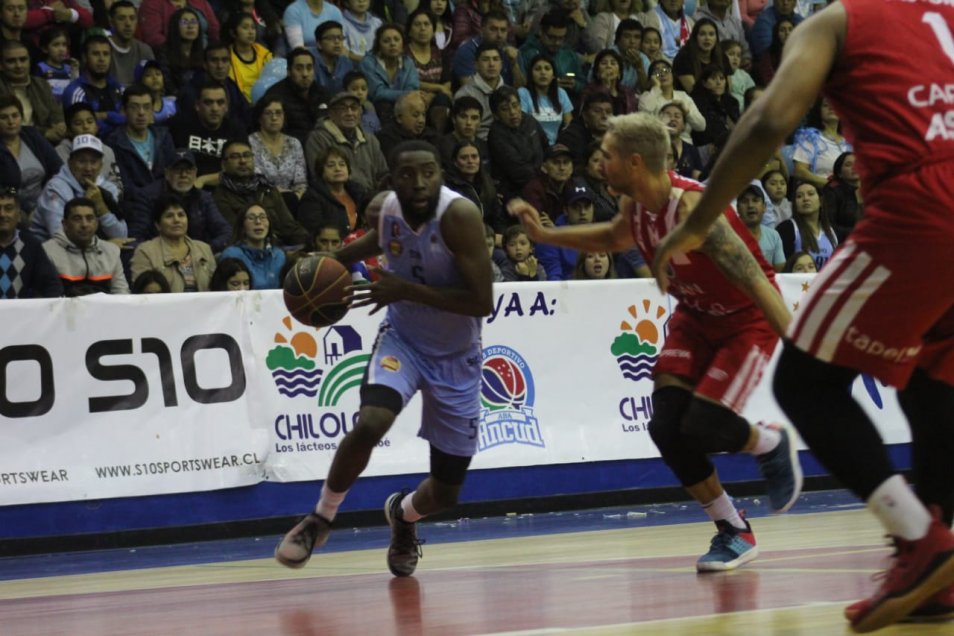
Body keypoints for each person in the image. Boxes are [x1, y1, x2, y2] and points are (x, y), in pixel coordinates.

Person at [650, 1, 954, 630]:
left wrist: (701, 220)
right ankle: (932, 568)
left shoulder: (837, 22)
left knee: (805, 383)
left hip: (923, 202)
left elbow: (767, 121)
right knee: (934, 377)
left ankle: (921, 542)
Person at [511, 112, 801, 573]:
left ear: (635, 162)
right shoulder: (635, 204)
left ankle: (768, 443)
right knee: (666, 427)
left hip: (743, 321)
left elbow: (757, 281)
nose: (598, 163)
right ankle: (733, 528)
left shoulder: (690, 210)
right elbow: (612, 236)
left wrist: (802, 354)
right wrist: (546, 234)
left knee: (702, 424)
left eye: (606, 156)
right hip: (695, 315)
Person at [274, 140, 494, 579]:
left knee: (446, 493)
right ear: (392, 179)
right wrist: (332, 262)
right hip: (403, 341)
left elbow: (482, 301)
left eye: (429, 172)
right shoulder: (386, 208)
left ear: (440, 174)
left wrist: (404, 290)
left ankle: (404, 516)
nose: (420, 182)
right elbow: (383, 237)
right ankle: (320, 518)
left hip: (457, 356)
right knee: (371, 422)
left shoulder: (459, 216)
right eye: (408, 174)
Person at [127, 148, 232, 251]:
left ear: (195, 173)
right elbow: (136, 237)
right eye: (178, 170)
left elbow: (225, 231)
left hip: (197, 255)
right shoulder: (147, 196)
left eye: (188, 170)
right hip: (159, 256)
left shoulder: (203, 197)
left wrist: (203, 249)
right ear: (167, 173)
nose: (184, 175)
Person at [213, 139, 311, 247]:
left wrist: (306, 244)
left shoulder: (267, 188)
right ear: (223, 165)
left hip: (281, 248)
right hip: (247, 250)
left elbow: (289, 226)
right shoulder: (220, 195)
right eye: (235, 156)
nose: (243, 161)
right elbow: (235, 232)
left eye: (247, 155)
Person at [34, 133, 126, 243]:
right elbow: (58, 236)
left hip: (90, 249)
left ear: (101, 165)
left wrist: (102, 208)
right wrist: (105, 246)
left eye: (93, 162)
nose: (88, 168)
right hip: (48, 250)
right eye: (82, 161)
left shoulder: (108, 189)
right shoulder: (55, 188)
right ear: (70, 163)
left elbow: (121, 234)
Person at [42, 196, 130, 295]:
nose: (84, 224)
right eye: (77, 219)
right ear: (65, 224)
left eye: (90, 218)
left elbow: (121, 293)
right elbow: (48, 297)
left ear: (97, 223)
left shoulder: (111, 251)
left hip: (104, 309)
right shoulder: (46, 251)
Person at [130, 194, 216, 292]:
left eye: (181, 215)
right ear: (158, 225)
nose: (176, 220)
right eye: (169, 216)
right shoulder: (145, 251)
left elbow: (216, 288)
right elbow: (143, 292)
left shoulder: (204, 249)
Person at [304, 91, 388, 191]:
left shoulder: (371, 140)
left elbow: (383, 175)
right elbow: (319, 177)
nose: (350, 113)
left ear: (360, 112)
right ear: (331, 114)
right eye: (343, 108)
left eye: (354, 108)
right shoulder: (318, 139)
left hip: (371, 199)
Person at [170, 80, 248, 186]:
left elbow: (240, 169)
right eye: (208, 102)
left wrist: (204, 179)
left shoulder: (236, 129)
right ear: (197, 105)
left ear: (226, 107)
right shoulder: (179, 126)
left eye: (220, 103)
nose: (215, 108)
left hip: (226, 189)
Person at [105, 84, 176, 198]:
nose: (141, 113)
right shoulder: (114, 143)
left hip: (166, 201)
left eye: (147, 107)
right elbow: (124, 185)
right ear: (124, 110)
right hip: (133, 205)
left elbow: (172, 174)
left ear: (153, 110)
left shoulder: (164, 137)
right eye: (134, 107)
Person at [0, 94, 62, 223]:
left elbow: (58, 168)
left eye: (15, 116)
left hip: (47, 201)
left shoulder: (32, 136)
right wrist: (19, 210)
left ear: (21, 117)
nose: (11, 122)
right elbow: (4, 189)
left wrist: (49, 200)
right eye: (4, 117)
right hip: (11, 209)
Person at [0, 185, 62, 298]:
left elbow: (52, 286)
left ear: (19, 216)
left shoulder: (31, 245)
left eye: (8, 208)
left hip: (19, 314)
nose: (2, 214)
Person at [248, 95, 308, 211]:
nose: (274, 117)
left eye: (278, 113)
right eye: (268, 113)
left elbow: (301, 182)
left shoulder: (294, 143)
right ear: (259, 118)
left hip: (293, 201)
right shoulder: (250, 142)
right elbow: (256, 180)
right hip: (263, 201)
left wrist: (296, 196)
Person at [487, 85, 547, 201]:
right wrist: (546, 179)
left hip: (542, 180)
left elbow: (546, 146)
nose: (513, 112)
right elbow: (519, 172)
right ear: (496, 115)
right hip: (515, 190)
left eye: (515, 105)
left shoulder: (529, 120)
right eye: (505, 109)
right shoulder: (496, 135)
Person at [0, 39, 66, 144]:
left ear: (29, 61)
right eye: (11, 61)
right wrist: (44, 132)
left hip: (43, 143)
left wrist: (60, 127)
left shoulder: (42, 84)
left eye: (23, 60)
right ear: (1, 65)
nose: (19, 66)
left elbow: (56, 116)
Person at [263, 48, 332, 145]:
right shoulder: (275, 96)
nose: (305, 74)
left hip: (322, 147)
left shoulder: (323, 93)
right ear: (289, 71)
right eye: (299, 68)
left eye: (309, 68)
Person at [298, 145, 369, 237]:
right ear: (321, 171)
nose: (338, 169)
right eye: (331, 165)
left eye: (342, 164)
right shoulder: (312, 198)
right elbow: (314, 233)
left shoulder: (359, 193)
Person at [61, 35, 125, 136]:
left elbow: (131, 119)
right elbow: (85, 129)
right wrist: (117, 119)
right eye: (96, 54)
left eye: (106, 54)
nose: (102, 59)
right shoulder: (75, 91)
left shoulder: (118, 87)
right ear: (84, 57)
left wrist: (105, 115)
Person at [359, 24, 420, 122]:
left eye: (396, 39)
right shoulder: (368, 63)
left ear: (403, 43)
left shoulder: (408, 62)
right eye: (386, 41)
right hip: (375, 107)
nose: (392, 44)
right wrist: (409, 94)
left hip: (405, 105)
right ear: (379, 45)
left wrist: (411, 95)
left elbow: (413, 87)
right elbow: (378, 93)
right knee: (384, 105)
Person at [219, 203, 286, 289]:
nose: (258, 222)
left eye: (262, 217)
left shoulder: (279, 256)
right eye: (251, 218)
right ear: (242, 226)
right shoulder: (232, 255)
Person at [405, 9, 452, 133]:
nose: (422, 28)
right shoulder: (403, 54)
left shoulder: (441, 54)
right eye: (417, 24)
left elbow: (446, 83)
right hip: (410, 95)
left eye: (427, 24)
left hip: (435, 98)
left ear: (433, 30)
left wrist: (433, 94)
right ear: (409, 31)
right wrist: (438, 88)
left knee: (443, 98)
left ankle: (438, 137)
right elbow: (407, 81)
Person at [792, 97, 852, 189]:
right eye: (825, 105)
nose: (831, 107)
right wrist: (830, 185)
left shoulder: (850, 142)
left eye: (834, 104)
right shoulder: (810, 137)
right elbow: (799, 171)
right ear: (819, 111)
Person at [776, 181, 837, 270]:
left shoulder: (832, 231)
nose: (805, 199)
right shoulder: (787, 228)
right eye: (799, 196)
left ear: (821, 201)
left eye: (810, 194)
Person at [376, 91, 440, 165]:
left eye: (423, 115)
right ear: (399, 118)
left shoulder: (431, 136)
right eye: (415, 115)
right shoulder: (386, 137)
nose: (421, 120)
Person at [157, 7, 206, 96]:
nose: (190, 26)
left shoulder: (203, 53)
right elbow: (167, 85)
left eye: (193, 22)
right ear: (175, 27)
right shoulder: (164, 53)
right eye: (184, 22)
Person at [107, 1, 155, 88]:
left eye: (132, 18)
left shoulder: (144, 50)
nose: (128, 24)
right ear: (111, 22)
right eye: (121, 18)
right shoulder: (102, 50)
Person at [557, 92, 614, 166]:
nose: (604, 116)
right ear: (585, 115)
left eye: (608, 112)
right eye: (597, 111)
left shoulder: (617, 136)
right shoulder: (571, 137)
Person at [672, 18, 727, 94]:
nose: (707, 38)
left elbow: (728, 89)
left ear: (716, 38)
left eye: (711, 34)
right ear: (695, 37)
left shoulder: (721, 56)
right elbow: (694, 92)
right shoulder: (683, 58)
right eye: (702, 34)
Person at [138, 0, 219, 51]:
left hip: (205, 55)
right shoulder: (151, 3)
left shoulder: (200, 1)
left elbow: (214, 29)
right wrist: (183, 52)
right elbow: (153, 38)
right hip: (171, 58)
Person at [737, 183, 783, 271]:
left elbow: (780, 270)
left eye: (755, 200)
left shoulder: (774, 235)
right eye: (745, 201)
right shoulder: (729, 235)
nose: (750, 205)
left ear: (764, 207)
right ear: (738, 208)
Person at [822, 150, 862, 243]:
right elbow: (829, 225)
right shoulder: (832, 191)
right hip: (843, 242)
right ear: (839, 173)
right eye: (848, 165)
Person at [313, 20, 353, 94]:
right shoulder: (310, 61)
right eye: (331, 38)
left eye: (340, 37)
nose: (337, 42)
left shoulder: (346, 63)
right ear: (319, 44)